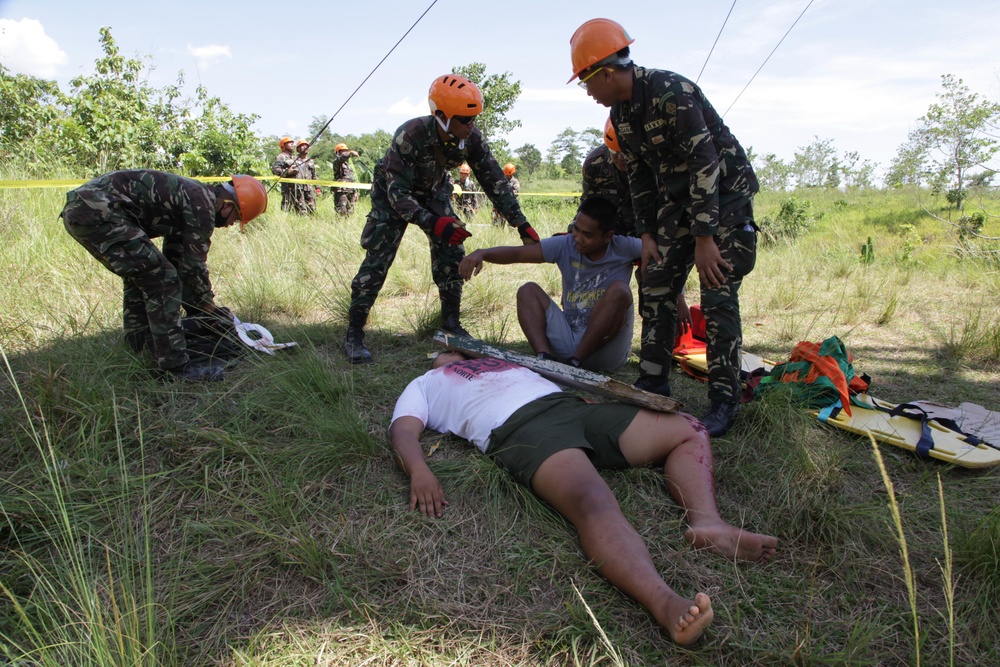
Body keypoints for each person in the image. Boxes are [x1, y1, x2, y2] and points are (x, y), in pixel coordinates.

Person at [390, 351, 778, 646]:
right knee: (593, 500)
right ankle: (665, 603)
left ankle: (706, 523)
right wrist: (421, 471)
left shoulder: (500, 361)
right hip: (520, 429)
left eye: (456, 352)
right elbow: (404, 433)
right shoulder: (425, 383)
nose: (450, 356)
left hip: (573, 410)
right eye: (443, 354)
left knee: (688, 429)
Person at [569, 18, 760, 436]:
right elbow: (638, 176)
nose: (588, 92)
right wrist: (647, 235)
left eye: (586, 82)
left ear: (605, 72)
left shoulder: (670, 92)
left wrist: (705, 238)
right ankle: (652, 379)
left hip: (723, 200)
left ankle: (724, 401)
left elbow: (705, 163)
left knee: (717, 293)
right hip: (678, 204)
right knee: (655, 279)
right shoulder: (621, 114)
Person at [344, 73, 540, 365]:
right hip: (393, 196)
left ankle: (450, 324)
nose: (470, 126)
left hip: (434, 193)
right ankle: (354, 333)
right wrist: (433, 222)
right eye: (464, 119)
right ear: (441, 116)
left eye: (474, 119)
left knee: (452, 251)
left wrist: (520, 223)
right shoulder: (410, 134)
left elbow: (494, 181)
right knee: (378, 259)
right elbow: (398, 195)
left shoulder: (470, 138)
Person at [60, 170, 268, 381]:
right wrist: (211, 312)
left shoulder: (193, 197)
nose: (231, 224)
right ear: (227, 205)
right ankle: (175, 369)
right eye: (236, 218)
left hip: (86, 209)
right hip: (98, 211)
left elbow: (178, 262)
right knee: (162, 280)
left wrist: (203, 313)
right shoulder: (203, 206)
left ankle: (140, 346)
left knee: (145, 276)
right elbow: (194, 268)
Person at [460, 196, 638, 372]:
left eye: (588, 235)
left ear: (607, 237)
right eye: (576, 229)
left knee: (619, 290)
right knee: (527, 290)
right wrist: (482, 253)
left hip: (606, 352)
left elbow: (660, 251)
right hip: (569, 342)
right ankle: (544, 360)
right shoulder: (566, 244)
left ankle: (576, 363)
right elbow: (518, 254)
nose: (578, 238)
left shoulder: (625, 247)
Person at [271, 136, 303, 213]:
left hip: (298, 187)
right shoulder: (281, 157)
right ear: (283, 145)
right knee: (287, 207)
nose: (292, 144)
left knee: (299, 208)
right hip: (288, 188)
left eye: (292, 142)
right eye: (289, 143)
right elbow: (275, 169)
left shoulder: (294, 157)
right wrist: (287, 172)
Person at [332, 142, 361, 215]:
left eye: (345, 151)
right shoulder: (337, 163)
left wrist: (355, 192)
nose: (344, 153)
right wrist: (350, 152)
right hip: (341, 192)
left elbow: (351, 179)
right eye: (342, 151)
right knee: (341, 212)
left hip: (350, 191)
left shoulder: (348, 166)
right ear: (337, 153)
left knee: (350, 212)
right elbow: (341, 159)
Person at [295, 139, 318, 215]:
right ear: (298, 149)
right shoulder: (294, 160)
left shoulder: (310, 161)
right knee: (301, 209)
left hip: (309, 188)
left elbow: (314, 175)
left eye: (306, 146)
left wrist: (317, 188)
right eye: (302, 146)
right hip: (298, 189)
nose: (305, 147)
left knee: (312, 208)